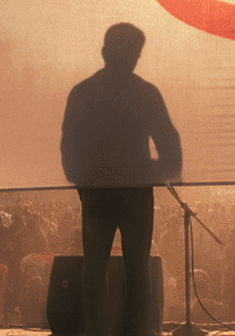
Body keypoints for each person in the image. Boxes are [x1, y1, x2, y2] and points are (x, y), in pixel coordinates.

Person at [60, 23, 182, 336]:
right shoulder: (146, 93)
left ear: (103, 52)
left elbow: (69, 154)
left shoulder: (82, 93)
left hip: (97, 195)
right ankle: (137, 331)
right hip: (135, 196)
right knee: (137, 271)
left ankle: (96, 331)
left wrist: (88, 182)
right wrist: (140, 171)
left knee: (95, 270)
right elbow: (172, 154)